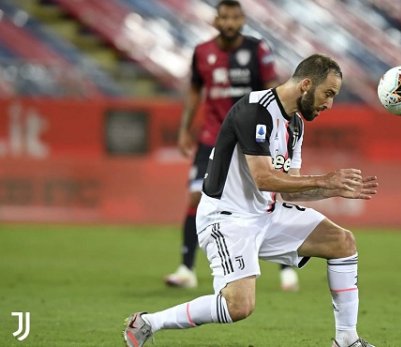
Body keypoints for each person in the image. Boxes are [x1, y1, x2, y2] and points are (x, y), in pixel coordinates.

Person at [124, 54, 378, 347]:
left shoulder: (295, 126)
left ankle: (347, 340)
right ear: (306, 85)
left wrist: (333, 189)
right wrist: (324, 180)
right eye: (328, 93)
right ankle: (147, 323)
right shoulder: (254, 111)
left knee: (342, 243)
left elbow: (290, 189)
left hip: (266, 214)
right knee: (238, 306)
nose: (329, 104)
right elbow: (263, 178)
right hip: (227, 218)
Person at [164, 0, 300, 292]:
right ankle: (186, 268)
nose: (229, 23)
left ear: (242, 20)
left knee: (270, 196)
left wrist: (278, 128)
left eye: (234, 17)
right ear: (215, 20)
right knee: (194, 197)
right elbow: (194, 92)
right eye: (224, 17)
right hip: (212, 139)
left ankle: (286, 268)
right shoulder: (202, 53)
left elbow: (273, 90)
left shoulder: (257, 50)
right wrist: (185, 129)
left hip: (251, 140)